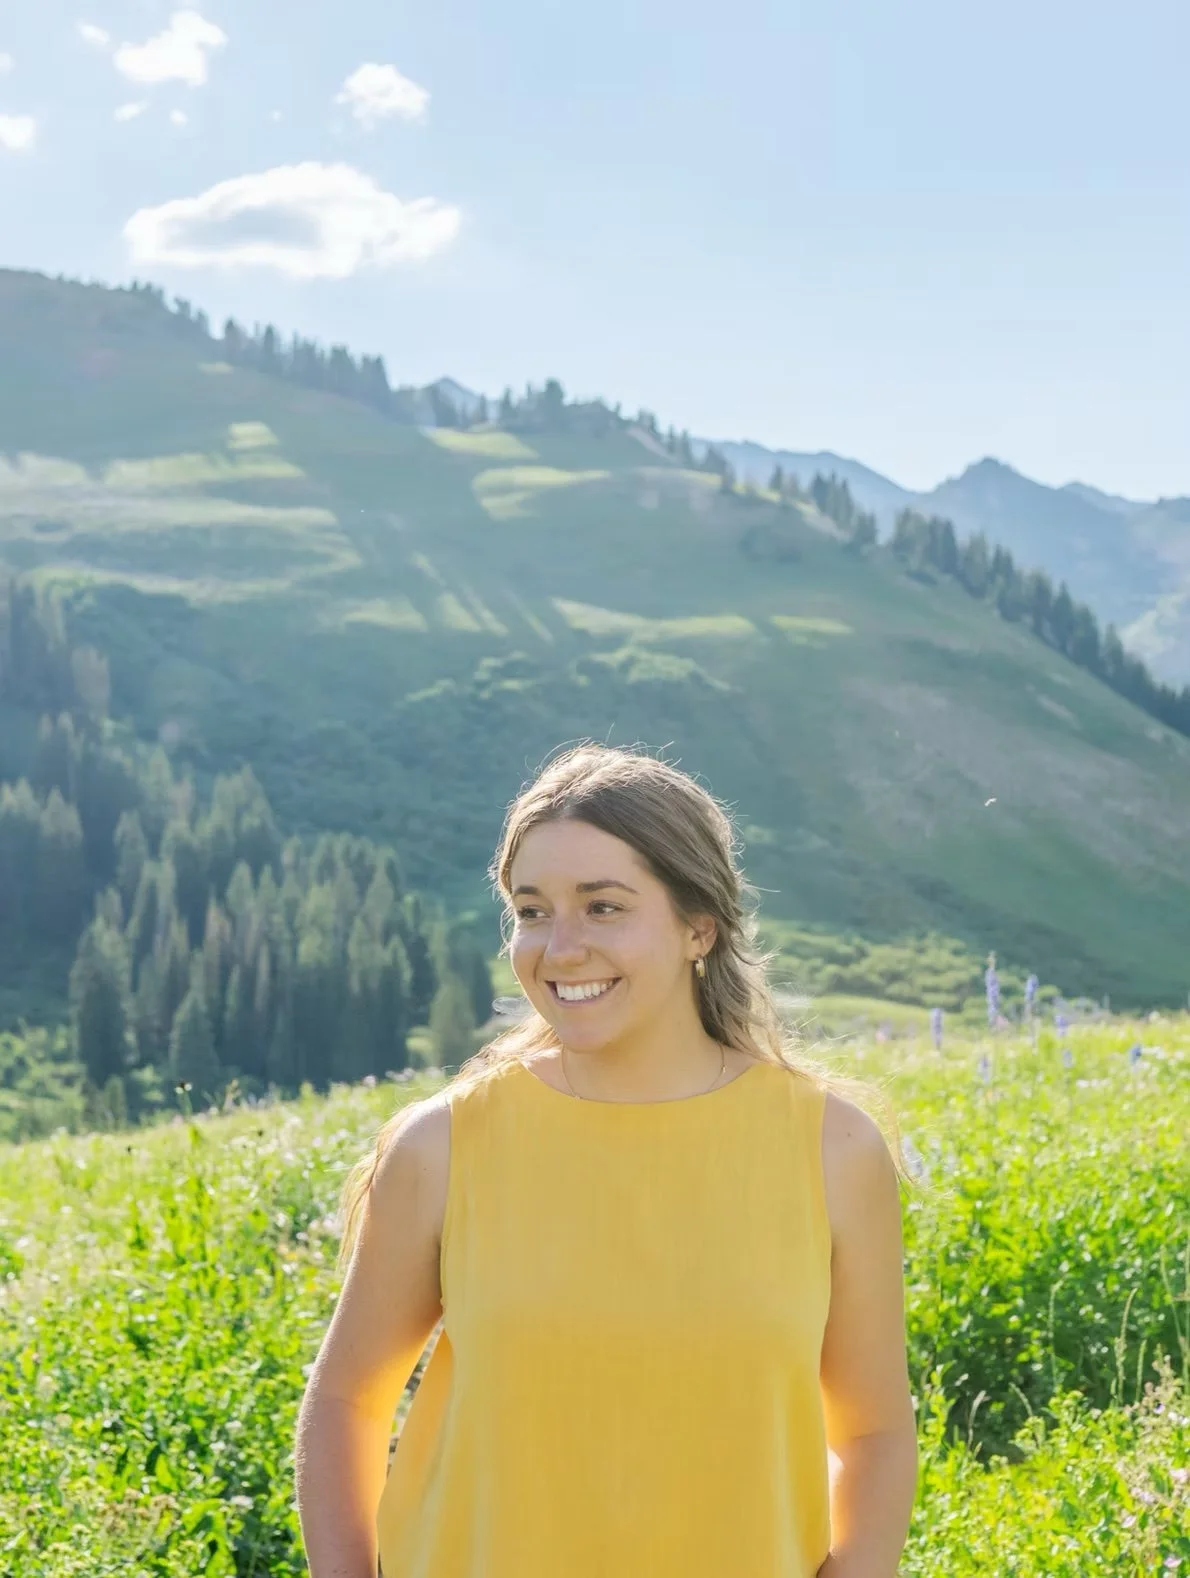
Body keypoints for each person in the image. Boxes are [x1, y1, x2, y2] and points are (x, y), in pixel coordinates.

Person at [295, 743, 919, 1578]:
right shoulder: (445, 1146)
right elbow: (345, 1401)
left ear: (700, 925)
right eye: (532, 910)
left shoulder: (832, 1148)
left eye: (603, 907)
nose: (559, 949)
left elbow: (873, 1429)